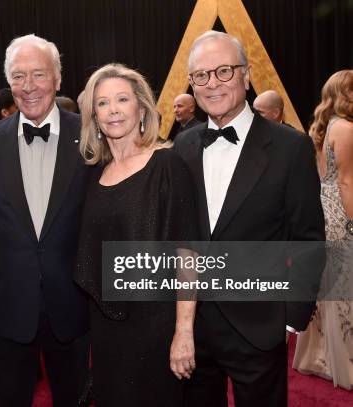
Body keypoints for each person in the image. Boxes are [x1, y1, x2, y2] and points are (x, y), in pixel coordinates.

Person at [173, 31, 325, 406]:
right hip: (193, 326)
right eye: (202, 76)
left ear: (247, 74)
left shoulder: (290, 148)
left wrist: (290, 318)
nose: (212, 84)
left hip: (258, 324)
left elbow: (308, 238)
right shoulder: (183, 146)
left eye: (224, 71)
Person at [0, 34, 90, 406]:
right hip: (7, 303)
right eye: (18, 76)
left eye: (38, 74)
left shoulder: (91, 135)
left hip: (73, 301)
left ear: (57, 79)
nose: (28, 86)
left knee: (74, 398)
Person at [74, 63, 198, 406]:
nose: (112, 110)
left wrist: (183, 331)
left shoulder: (167, 165)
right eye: (102, 103)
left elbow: (187, 254)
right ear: (94, 116)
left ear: (141, 108)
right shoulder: (96, 174)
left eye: (122, 99)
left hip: (156, 326)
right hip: (107, 327)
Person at [293, 69, 353, 390]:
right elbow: (346, 181)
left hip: (327, 208)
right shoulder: (344, 127)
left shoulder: (325, 126)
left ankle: (322, 357)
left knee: (331, 287)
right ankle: (343, 361)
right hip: (342, 212)